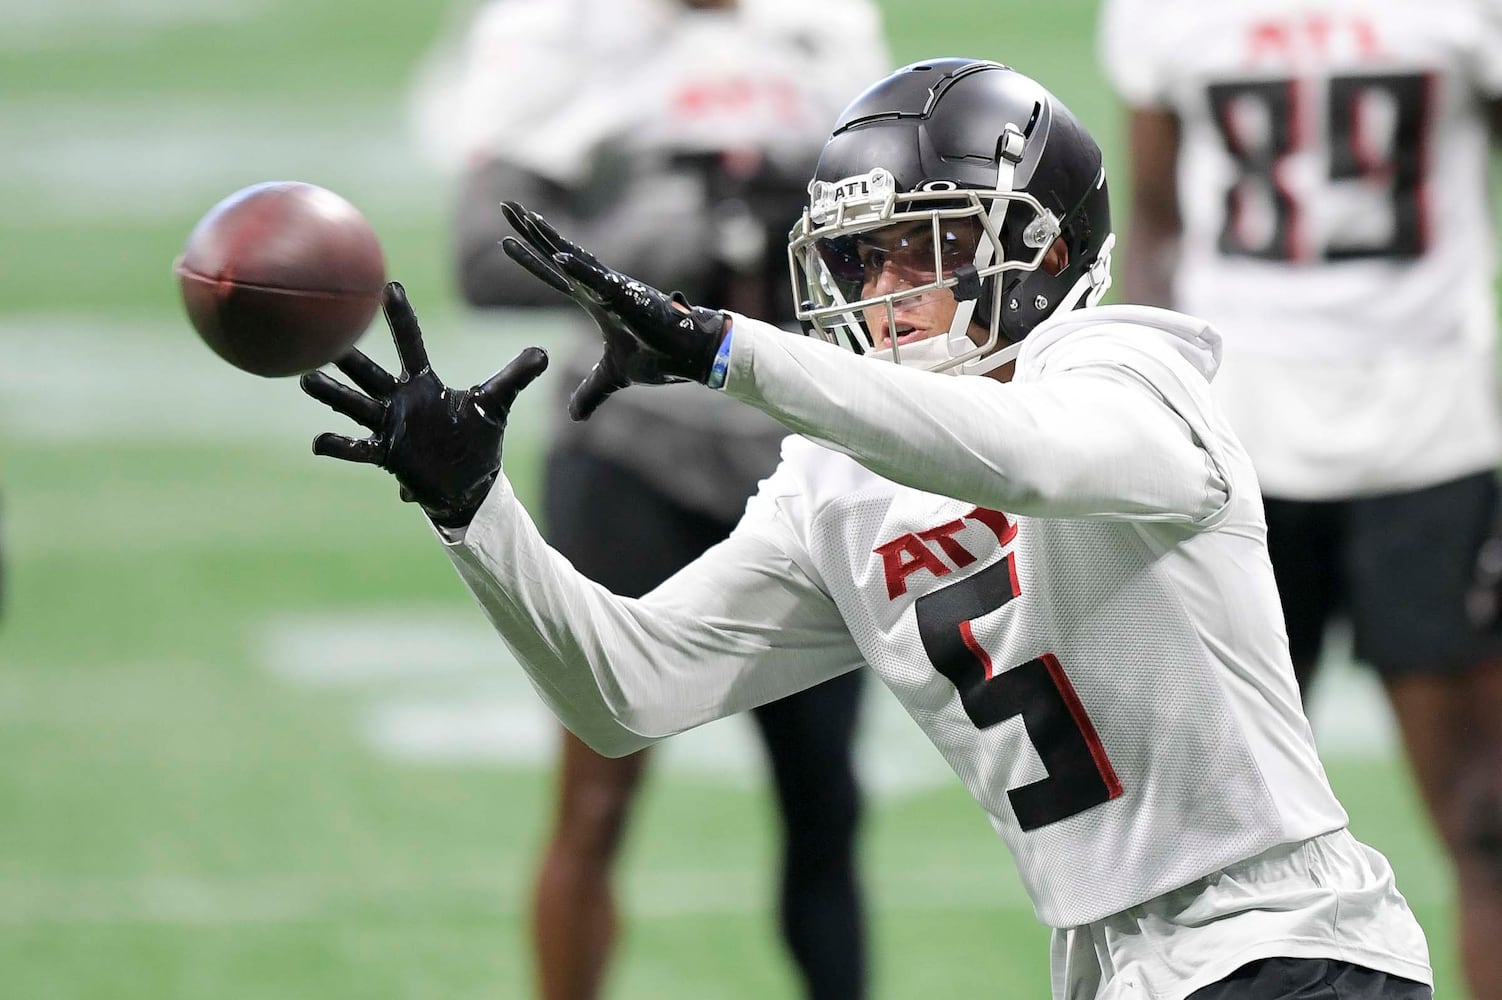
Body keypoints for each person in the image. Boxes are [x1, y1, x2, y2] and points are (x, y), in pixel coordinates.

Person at [301, 59, 1436, 999]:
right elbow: (624, 689)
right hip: (1120, 967)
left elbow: (1022, 457)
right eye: (858, 258)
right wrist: (473, 510)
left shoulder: (1130, 370)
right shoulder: (837, 481)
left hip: (1286, 939)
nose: (882, 293)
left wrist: (727, 349)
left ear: (1041, 254)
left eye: (920, 249)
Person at [411, 1, 889, 997]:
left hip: (795, 448)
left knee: (825, 801)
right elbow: (477, 256)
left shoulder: (827, 19)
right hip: (632, 445)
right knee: (596, 799)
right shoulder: (551, 28)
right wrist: (625, 248)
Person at [1098, 2, 1502, 994]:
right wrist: (1134, 418)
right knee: (1204, 843)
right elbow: (1154, 220)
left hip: (1434, 428)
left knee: (1488, 815)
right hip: (1233, 451)